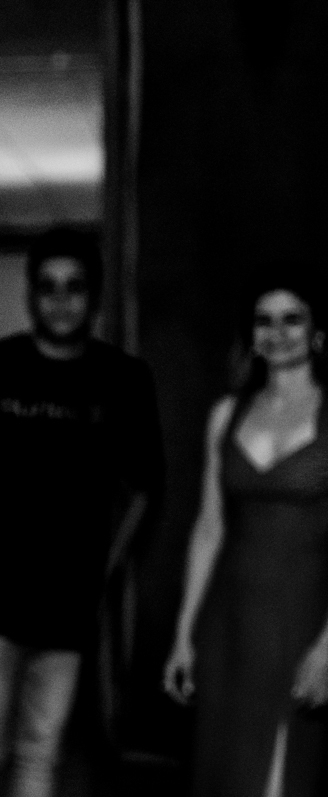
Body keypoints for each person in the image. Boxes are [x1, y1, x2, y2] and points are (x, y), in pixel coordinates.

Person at [0, 228, 163, 797]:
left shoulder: (122, 379)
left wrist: (106, 568)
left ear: (94, 296)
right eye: (47, 287)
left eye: (75, 287)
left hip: (70, 603)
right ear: (30, 295)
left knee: (40, 754)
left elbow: (145, 488)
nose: (61, 299)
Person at [163, 271, 328, 797]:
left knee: (281, 779)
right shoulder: (225, 415)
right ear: (250, 334)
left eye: (292, 319)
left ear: (317, 331)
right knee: (226, 774)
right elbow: (209, 527)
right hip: (228, 623)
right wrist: (183, 635)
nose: (277, 332)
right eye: (264, 320)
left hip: (304, 618)